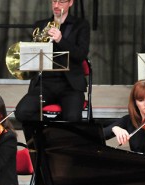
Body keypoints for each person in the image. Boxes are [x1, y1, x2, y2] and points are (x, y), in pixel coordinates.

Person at [15, 0, 90, 129]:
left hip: (70, 86)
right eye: (54, 1)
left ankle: (59, 134)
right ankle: (49, 129)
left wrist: (61, 40)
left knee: (72, 118)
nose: (56, 5)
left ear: (70, 2)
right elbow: (32, 56)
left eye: (61, 2)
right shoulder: (40, 25)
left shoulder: (81, 25)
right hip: (45, 83)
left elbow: (80, 55)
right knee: (22, 112)